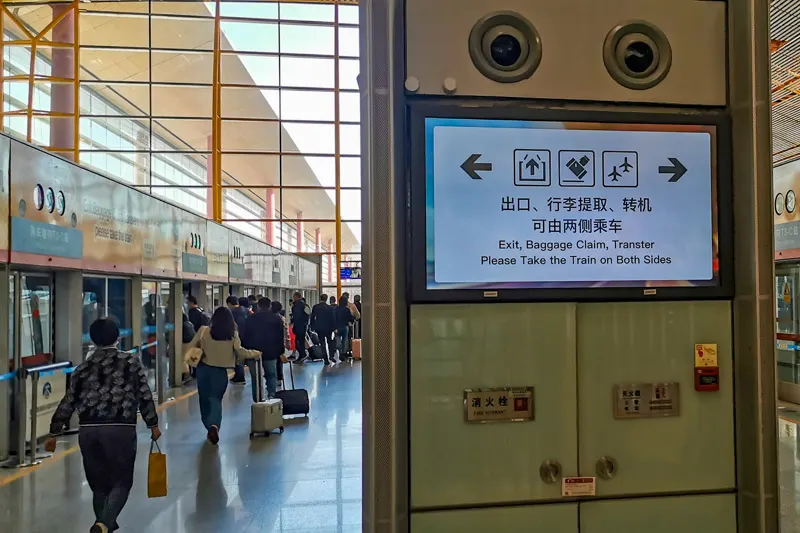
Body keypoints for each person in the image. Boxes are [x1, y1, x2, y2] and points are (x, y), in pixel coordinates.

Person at [45, 318, 161, 533]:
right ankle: (104, 523)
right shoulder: (130, 362)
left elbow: (69, 400)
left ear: (92, 339)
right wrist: (152, 424)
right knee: (121, 481)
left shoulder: (82, 367)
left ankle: (104, 524)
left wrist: (54, 432)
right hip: (120, 428)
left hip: (89, 430)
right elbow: (144, 394)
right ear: (118, 337)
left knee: (99, 485)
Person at [186, 306, 257, 444]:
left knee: (204, 399)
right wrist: (255, 353)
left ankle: (208, 425)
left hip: (203, 369)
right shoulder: (232, 334)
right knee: (215, 399)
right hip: (220, 372)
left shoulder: (203, 331)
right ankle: (214, 425)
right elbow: (240, 352)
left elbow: (191, 348)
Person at [241, 298, 284, 400]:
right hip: (271, 352)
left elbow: (245, 335)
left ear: (258, 306)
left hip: (254, 352)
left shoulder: (250, 318)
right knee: (271, 374)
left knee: (255, 377)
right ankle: (271, 395)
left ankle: (257, 398)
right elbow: (279, 336)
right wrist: (280, 352)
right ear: (270, 306)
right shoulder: (276, 319)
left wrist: (246, 351)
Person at [227, 295, 249, 384]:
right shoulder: (247, 311)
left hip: (236, 337)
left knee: (237, 358)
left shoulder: (231, 312)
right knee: (241, 357)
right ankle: (239, 375)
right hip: (247, 337)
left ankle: (240, 377)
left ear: (229, 303)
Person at [311, 293, 336, 365]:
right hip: (328, 328)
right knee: (330, 341)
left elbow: (312, 317)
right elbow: (333, 318)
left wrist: (312, 327)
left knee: (322, 343)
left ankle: (325, 359)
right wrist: (334, 327)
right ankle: (331, 356)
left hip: (319, 328)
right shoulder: (330, 308)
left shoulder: (315, 307)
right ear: (326, 299)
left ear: (320, 299)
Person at [271, 300, 290, 386]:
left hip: (271, 343)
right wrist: (287, 342)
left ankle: (274, 377)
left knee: (272, 361)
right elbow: (286, 331)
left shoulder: (270, 318)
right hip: (281, 342)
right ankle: (279, 377)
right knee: (279, 361)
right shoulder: (282, 318)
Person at [290, 291, 311, 364]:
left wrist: (292, 322)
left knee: (298, 341)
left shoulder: (297, 305)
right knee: (301, 340)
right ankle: (303, 354)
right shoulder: (305, 305)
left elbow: (296, 316)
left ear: (296, 297)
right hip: (304, 325)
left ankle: (302, 355)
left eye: (293, 297)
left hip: (299, 325)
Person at [335, 295, 354, 360]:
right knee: (345, 340)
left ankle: (339, 350)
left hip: (337, 327)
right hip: (345, 327)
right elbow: (350, 318)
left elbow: (334, 318)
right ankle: (343, 353)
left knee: (337, 339)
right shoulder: (347, 309)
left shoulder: (336, 309)